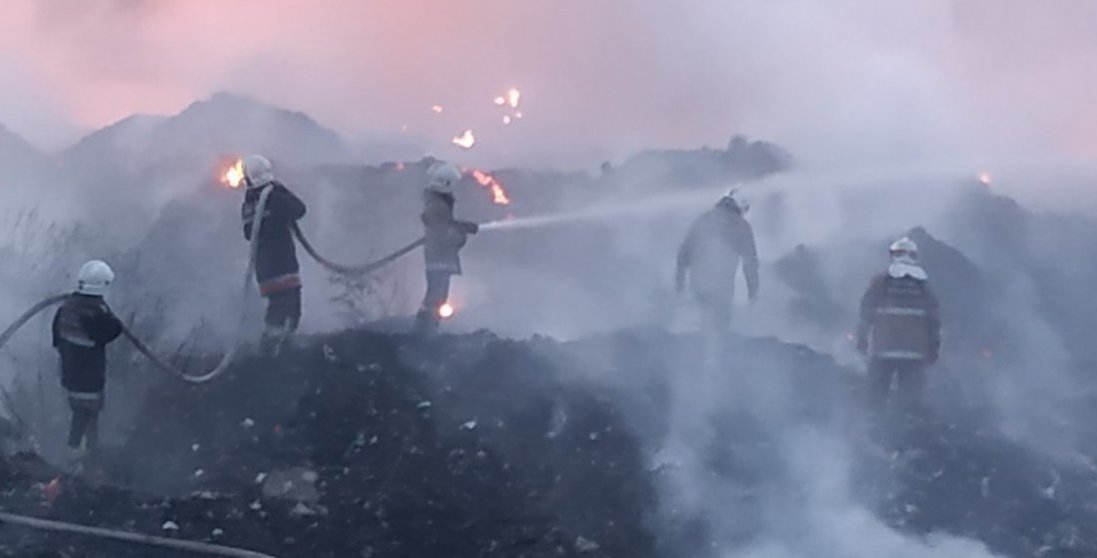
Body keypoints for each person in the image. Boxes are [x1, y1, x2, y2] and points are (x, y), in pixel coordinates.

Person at [856, 236, 941, 413]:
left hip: (883, 351)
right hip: (915, 354)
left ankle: (875, 427)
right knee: (909, 400)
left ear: (893, 255)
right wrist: (934, 349)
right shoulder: (924, 287)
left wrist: (861, 340)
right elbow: (934, 320)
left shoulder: (880, 282)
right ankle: (903, 430)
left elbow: (866, 312)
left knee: (876, 396)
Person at [52, 260, 123, 455]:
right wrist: (107, 314)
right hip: (89, 380)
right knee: (86, 420)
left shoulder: (65, 309)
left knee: (80, 417)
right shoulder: (94, 315)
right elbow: (114, 330)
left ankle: (81, 457)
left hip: (70, 375)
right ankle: (80, 461)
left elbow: (56, 340)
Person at [240, 155, 307, 354]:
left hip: (266, 269)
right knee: (290, 310)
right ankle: (275, 351)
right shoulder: (275, 197)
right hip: (283, 264)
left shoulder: (248, 204)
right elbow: (300, 209)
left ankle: (272, 350)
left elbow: (247, 233)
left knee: (277, 308)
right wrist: (280, 189)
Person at [676, 189, 760, 333]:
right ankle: (716, 351)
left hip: (698, 284)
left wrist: (680, 283)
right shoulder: (741, 226)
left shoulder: (703, 219)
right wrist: (753, 290)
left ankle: (700, 348)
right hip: (722, 286)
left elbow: (684, 254)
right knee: (719, 326)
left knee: (703, 320)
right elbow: (750, 261)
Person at [415, 161, 478, 335]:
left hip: (438, 258)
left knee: (436, 297)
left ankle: (426, 330)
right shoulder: (438, 206)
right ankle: (425, 332)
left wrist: (461, 225)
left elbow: (443, 225)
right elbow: (444, 235)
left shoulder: (436, 204)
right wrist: (461, 235)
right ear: (446, 184)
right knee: (436, 298)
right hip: (439, 259)